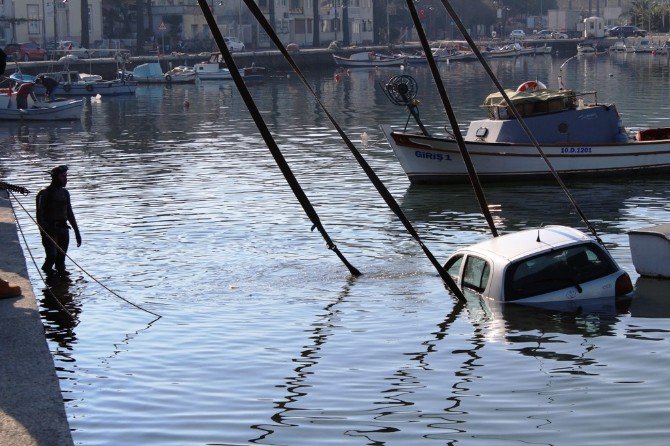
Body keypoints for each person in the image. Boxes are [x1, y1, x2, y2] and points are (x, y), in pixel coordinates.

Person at [36, 165, 82, 276]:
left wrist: (77, 232)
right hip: (50, 230)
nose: (65, 179)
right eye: (62, 176)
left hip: (63, 229)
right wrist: (44, 233)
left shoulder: (65, 193)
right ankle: (47, 279)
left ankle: (62, 287)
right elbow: (39, 216)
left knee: (61, 260)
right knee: (51, 256)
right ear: (54, 177)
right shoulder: (43, 193)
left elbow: (70, 213)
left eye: (66, 176)